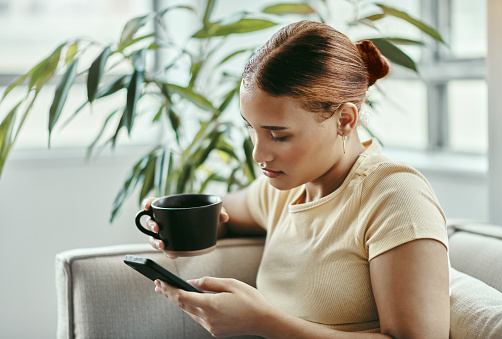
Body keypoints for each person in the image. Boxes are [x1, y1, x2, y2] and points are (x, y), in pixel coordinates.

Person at [143, 20, 450, 338]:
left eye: (278, 135)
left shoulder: (394, 196)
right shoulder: (283, 190)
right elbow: (225, 214)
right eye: (251, 128)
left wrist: (263, 321)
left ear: (344, 120)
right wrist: (171, 224)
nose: (258, 154)